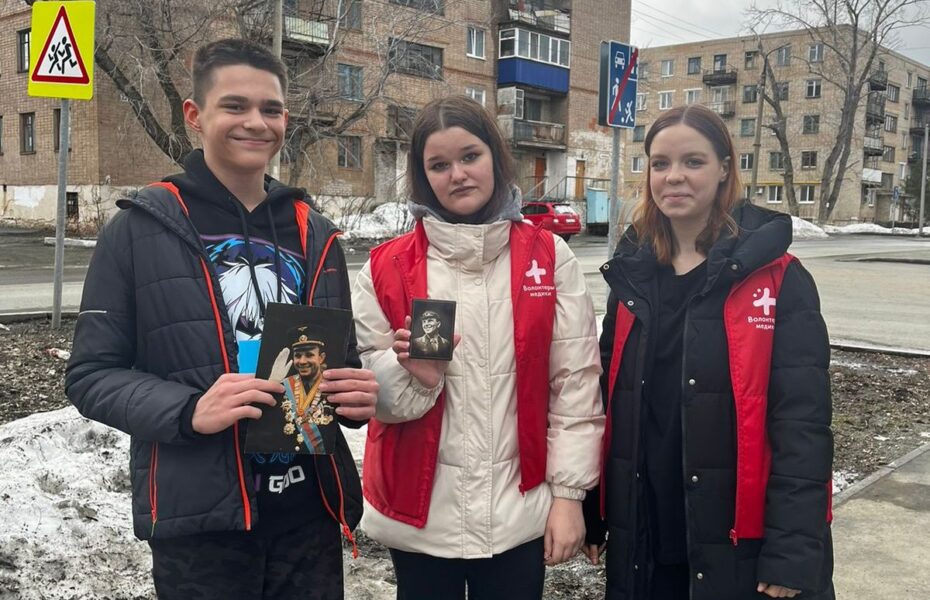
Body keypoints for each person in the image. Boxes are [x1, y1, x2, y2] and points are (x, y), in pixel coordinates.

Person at [66, 38, 378, 600]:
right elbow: (91, 376)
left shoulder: (317, 234)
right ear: (195, 115)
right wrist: (189, 410)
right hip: (201, 524)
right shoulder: (139, 228)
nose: (256, 122)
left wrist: (354, 395)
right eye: (235, 105)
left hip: (308, 518)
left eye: (271, 109)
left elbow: (337, 365)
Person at [351, 96, 605, 600]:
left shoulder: (548, 256)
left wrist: (569, 496)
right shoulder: (384, 267)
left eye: (470, 156)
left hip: (518, 513)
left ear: (495, 156)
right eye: (439, 165)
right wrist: (414, 379)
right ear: (423, 176)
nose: (458, 175)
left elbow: (574, 384)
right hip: (419, 516)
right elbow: (367, 393)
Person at [582, 104, 834, 600]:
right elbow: (606, 402)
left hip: (739, 547)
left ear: (724, 169)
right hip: (648, 536)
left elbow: (802, 424)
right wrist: (596, 508)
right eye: (660, 163)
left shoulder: (778, 278)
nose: (673, 176)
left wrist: (792, 550)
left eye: (693, 161)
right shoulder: (632, 278)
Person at [277, 328, 334, 453]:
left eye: (309, 355)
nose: (302, 361)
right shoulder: (284, 386)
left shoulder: (332, 385)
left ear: (321, 358)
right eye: (298, 356)